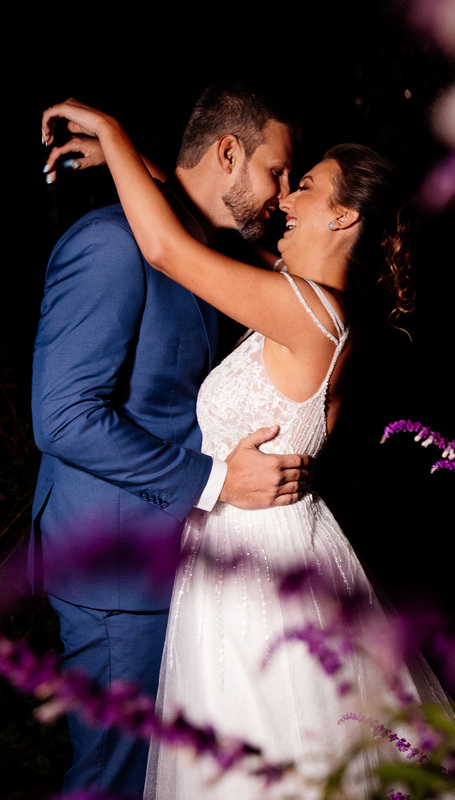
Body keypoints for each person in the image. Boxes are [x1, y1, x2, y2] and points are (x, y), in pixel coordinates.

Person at [40, 98, 455, 800]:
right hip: (249, 554)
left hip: (256, 573)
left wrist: (117, 132)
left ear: (342, 217)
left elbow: (168, 249)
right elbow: (209, 229)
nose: (284, 197)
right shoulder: (300, 297)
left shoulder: (312, 312)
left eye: (301, 186)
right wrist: (149, 171)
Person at [32, 85, 310, 799]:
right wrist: (216, 482)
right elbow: (61, 417)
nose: (282, 193)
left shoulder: (183, 247)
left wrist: (143, 166)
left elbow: (175, 239)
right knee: (115, 782)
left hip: (168, 568)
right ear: (227, 152)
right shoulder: (110, 244)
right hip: (117, 579)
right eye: (277, 170)